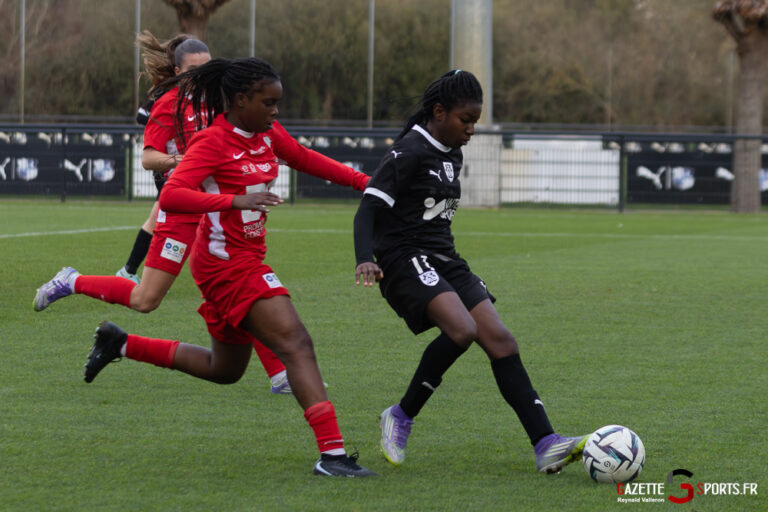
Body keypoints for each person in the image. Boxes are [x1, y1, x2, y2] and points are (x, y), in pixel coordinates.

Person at [80, 57, 376, 477]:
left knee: (225, 371)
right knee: (296, 343)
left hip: (239, 259)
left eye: (278, 103)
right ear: (240, 101)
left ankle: (121, 344)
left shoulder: (266, 134)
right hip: (226, 264)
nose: (276, 111)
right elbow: (173, 196)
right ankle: (332, 456)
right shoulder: (212, 142)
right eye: (268, 102)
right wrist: (232, 201)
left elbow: (306, 158)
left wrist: (367, 183)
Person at [353, 70, 588, 474]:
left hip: (444, 257)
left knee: (500, 340)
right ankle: (401, 415)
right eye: (466, 120)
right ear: (439, 112)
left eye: (475, 120)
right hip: (401, 258)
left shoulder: (452, 152)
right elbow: (368, 210)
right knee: (462, 331)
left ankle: (546, 443)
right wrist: (364, 257)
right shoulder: (409, 151)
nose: (472, 129)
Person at [33, 33, 293, 394]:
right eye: (193, 71)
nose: (203, 77)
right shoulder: (168, 103)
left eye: (207, 68)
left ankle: (279, 374)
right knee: (146, 300)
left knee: (239, 283)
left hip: (217, 211)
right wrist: (180, 160)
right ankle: (72, 281)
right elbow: (148, 157)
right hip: (184, 208)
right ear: (177, 71)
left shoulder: (224, 101)